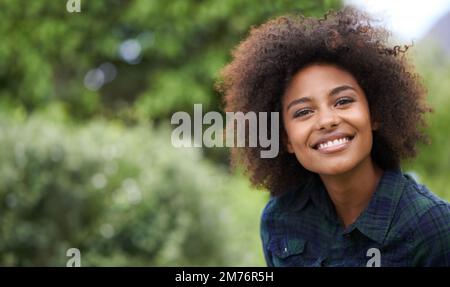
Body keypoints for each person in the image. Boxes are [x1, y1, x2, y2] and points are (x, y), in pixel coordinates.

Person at [217, 6, 450, 266]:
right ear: (285, 139)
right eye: (304, 112)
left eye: (342, 101)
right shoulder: (280, 218)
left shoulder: (433, 228)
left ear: (374, 113)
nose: (327, 121)